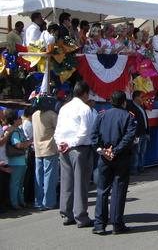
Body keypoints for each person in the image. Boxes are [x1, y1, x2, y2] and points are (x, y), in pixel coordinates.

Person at [91, 90, 136, 235]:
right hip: (121, 157)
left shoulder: (101, 115)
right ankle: (117, 224)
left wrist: (103, 150)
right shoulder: (128, 117)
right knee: (119, 190)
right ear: (124, 103)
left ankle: (100, 224)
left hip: (104, 157)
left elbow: (94, 136)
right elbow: (129, 138)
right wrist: (115, 150)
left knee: (102, 190)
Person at [54, 81, 96, 228]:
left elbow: (58, 129)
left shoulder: (64, 108)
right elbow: (85, 131)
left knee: (67, 182)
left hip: (64, 148)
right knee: (81, 184)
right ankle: (81, 216)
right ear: (85, 94)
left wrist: (60, 143)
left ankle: (66, 214)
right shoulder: (85, 109)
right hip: (79, 148)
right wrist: (71, 143)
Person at [32, 106, 58, 210]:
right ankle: (48, 202)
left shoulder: (35, 115)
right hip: (49, 148)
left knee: (38, 177)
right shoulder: (51, 114)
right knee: (50, 177)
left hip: (37, 149)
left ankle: (38, 201)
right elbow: (59, 127)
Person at [126, 91, 150, 175]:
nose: (142, 99)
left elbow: (145, 120)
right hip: (137, 134)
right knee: (135, 152)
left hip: (144, 133)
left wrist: (147, 132)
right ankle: (134, 169)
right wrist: (134, 134)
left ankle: (140, 167)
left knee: (142, 152)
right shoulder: (130, 107)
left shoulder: (140, 107)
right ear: (136, 97)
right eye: (141, 97)